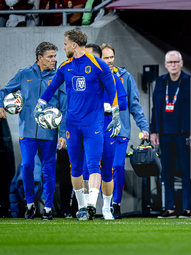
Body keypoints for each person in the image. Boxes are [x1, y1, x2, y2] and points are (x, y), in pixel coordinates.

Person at [34, 29, 121, 221]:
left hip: (94, 124)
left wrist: (115, 113)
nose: (63, 47)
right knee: (76, 167)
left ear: (74, 45)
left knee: (94, 165)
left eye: (65, 44)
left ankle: (91, 205)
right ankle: (82, 208)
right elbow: (51, 88)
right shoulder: (65, 67)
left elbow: (112, 89)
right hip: (72, 125)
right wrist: (39, 105)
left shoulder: (98, 65)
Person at [0, 42, 67, 220]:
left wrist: (62, 133)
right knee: (27, 166)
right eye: (50, 56)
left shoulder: (59, 77)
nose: (54, 59)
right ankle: (30, 204)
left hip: (50, 134)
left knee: (49, 170)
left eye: (55, 56)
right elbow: (4, 91)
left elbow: (65, 108)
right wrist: (1, 105)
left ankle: (47, 208)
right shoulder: (24, 74)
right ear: (40, 58)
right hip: (27, 132)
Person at [100, 43, 149, 219]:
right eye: (105, 58)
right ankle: (106, 205)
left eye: (111, 57)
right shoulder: (96, 77)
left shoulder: (125, 77)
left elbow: (134, 105)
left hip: (121, 131)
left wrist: (144, 127)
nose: (110, 61)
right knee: (104, 169)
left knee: (118, 165)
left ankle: (116, 203)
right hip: (100, 131)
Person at [150, 50, 191, 219]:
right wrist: (153, 131)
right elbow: (154, 108)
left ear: (181, 63)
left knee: (186, 172)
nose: (172, 65)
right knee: (167, 172)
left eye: (175, 62)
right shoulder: (160, 82)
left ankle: (187, 208)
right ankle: (169, 208)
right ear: (165, 64)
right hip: (164, 134)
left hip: (184, 133)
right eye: (169, 62)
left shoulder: (190, 81)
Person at [84, 43, 127, 220]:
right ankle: (86, 208)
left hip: (108, 130)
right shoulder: (83, 79)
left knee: (108, 171)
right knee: (88, 170)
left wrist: (104, 108)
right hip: (88, 131)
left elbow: (123, 103)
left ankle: (107, 208)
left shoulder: (114, 78)